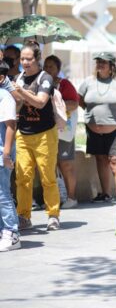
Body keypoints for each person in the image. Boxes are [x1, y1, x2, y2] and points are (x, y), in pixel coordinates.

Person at [11, 42, 61, 231]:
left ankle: (53, 214)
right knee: (22, 177)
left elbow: (40, 102)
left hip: (44, 134)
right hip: (23, 133)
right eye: (22, 59)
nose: (25, 62)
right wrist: (17, 99)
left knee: (47, 177)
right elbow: (16, 106)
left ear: (37, 59)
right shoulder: (18, 77)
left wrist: (21, 92)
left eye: (29, 59)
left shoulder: (44, 78)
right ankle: (23, 215)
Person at [78, 52, 116, 202]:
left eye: (104, 62)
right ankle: (105, 193)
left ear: (111, 66)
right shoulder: (88, 82)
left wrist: (115, 115)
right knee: (101, 159)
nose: (100, 64)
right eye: (98, 62)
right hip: (93, 129)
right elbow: (80, 100)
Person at [43, 55, 80, 209]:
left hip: (63, 132)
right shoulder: (40, 83)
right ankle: (52, 200)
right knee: (48, 165)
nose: (47, 69)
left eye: (51, 66)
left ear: (58, 69)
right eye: (45, 66)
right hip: (45, 131)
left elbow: (74, 104)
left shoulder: (64, 84)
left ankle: (71, 198)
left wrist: (56, 103)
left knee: (65, 164)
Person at [0, 61, 19, 251]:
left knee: (2, 194)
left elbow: (10, 126)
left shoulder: (5, 96)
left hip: (1, 152)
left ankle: (12, 233)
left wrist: (6, 154)